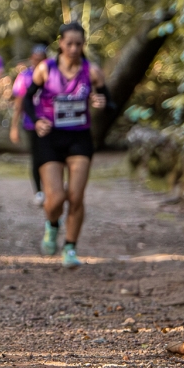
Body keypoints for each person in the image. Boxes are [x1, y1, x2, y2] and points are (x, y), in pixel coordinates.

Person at [22, 23, 112, 268]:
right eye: (69, 43)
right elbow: (28, 99)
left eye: (78, 44)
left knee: (75, 197)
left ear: (83, 45)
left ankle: (70, 248)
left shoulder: (92, 71)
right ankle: (52, 225)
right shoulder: (46, 68)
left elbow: (109, 102)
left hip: (79, 138)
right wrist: (36, 120)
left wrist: (101, 102)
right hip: (50, 137)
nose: (73, 48)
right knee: (55, 199)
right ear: (60, 43)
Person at [10, 43, 49, 206]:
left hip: (51, 123)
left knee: (51, 156)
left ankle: (52, 189)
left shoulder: (52, 73)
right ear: (31, 58)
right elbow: (19, 102)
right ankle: (39, 191)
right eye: (36, 58)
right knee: (37, 157)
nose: (38, 62)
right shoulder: (25, 76)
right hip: (31, 123)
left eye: (42, 59)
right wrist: (14, 126)